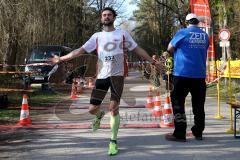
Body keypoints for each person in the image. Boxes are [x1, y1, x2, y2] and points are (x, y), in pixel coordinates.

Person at [50, 7, 165, 155]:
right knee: (92, 109)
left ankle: (113, 141)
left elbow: (137, 49)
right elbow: (79, 51)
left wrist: (153, 62)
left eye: (109, 15)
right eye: (104, 15)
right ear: (101, 18)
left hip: (117, 77)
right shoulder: (96, 36)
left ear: (114, 18)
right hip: (102, 77)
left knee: (113, 108)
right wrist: (61, 58)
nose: (106, 17)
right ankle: (98, 115)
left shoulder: (122, 34)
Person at [164, 13, 209, 142]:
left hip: (182, 74)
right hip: (199, 75)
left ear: (186, 22)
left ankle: (179, 133)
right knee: (199, 105)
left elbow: (170, 48)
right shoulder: (205, 36)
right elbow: (203, 50)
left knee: (178, 103)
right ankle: (198, 132)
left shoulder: (182, 33)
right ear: (197, 22)